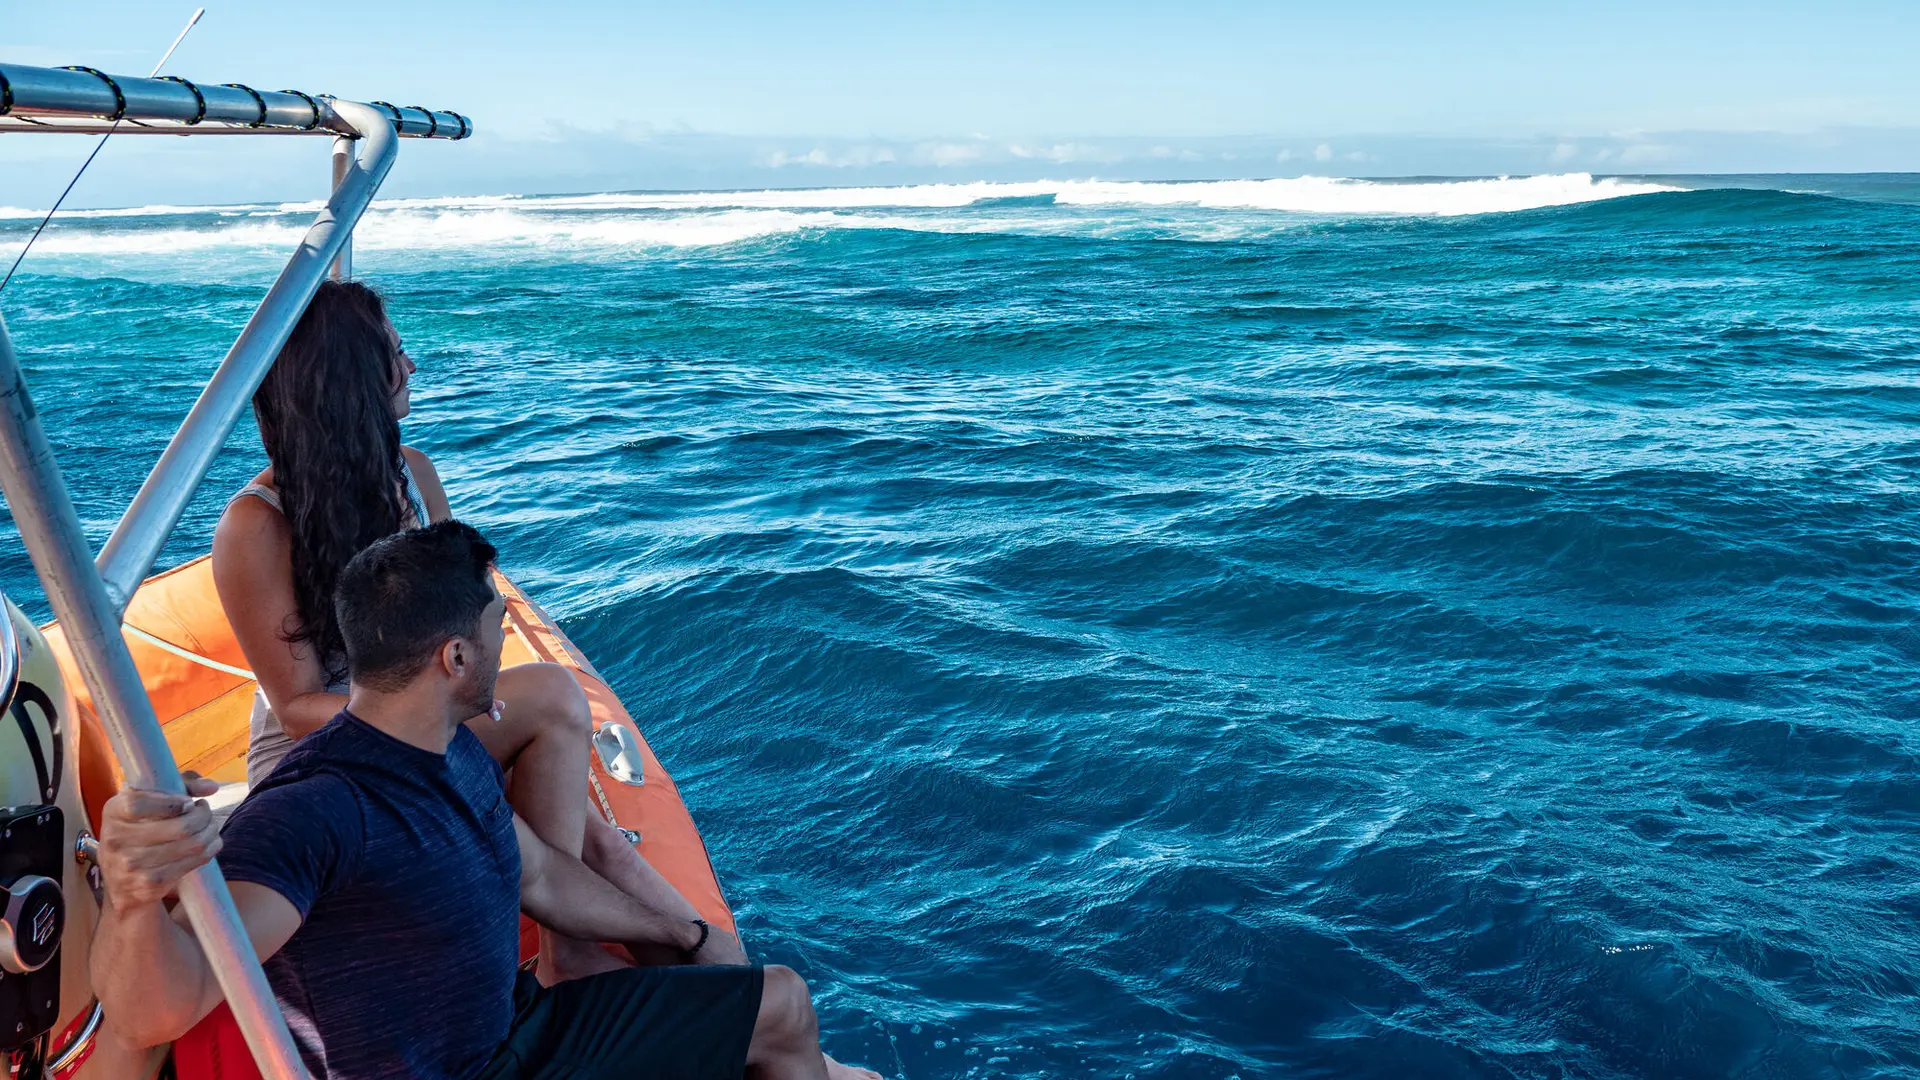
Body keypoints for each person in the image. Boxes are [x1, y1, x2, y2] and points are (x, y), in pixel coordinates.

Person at [94, 521, 879, 1080]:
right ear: (457, 655)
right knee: (783, 1014)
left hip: (515, 1030)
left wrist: (682, 930)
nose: (510, 642)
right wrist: (132, 897)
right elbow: (168, 1005)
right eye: (500, 625)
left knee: (781, 1003)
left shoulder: (449, 748)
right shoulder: (318, 810)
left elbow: (537, 874)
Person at [209, 279, 721, 980]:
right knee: (551, 702)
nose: (412, 367)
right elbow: (298, 708)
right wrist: (459, 710)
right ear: (353, 377)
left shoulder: (412, 476)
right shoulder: (256, 525)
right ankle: (568, 957)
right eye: (397, 351)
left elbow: (458, 614)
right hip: (327, 748)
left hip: (428, 714)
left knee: (596, 839)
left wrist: (466, 702)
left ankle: (732, 990)